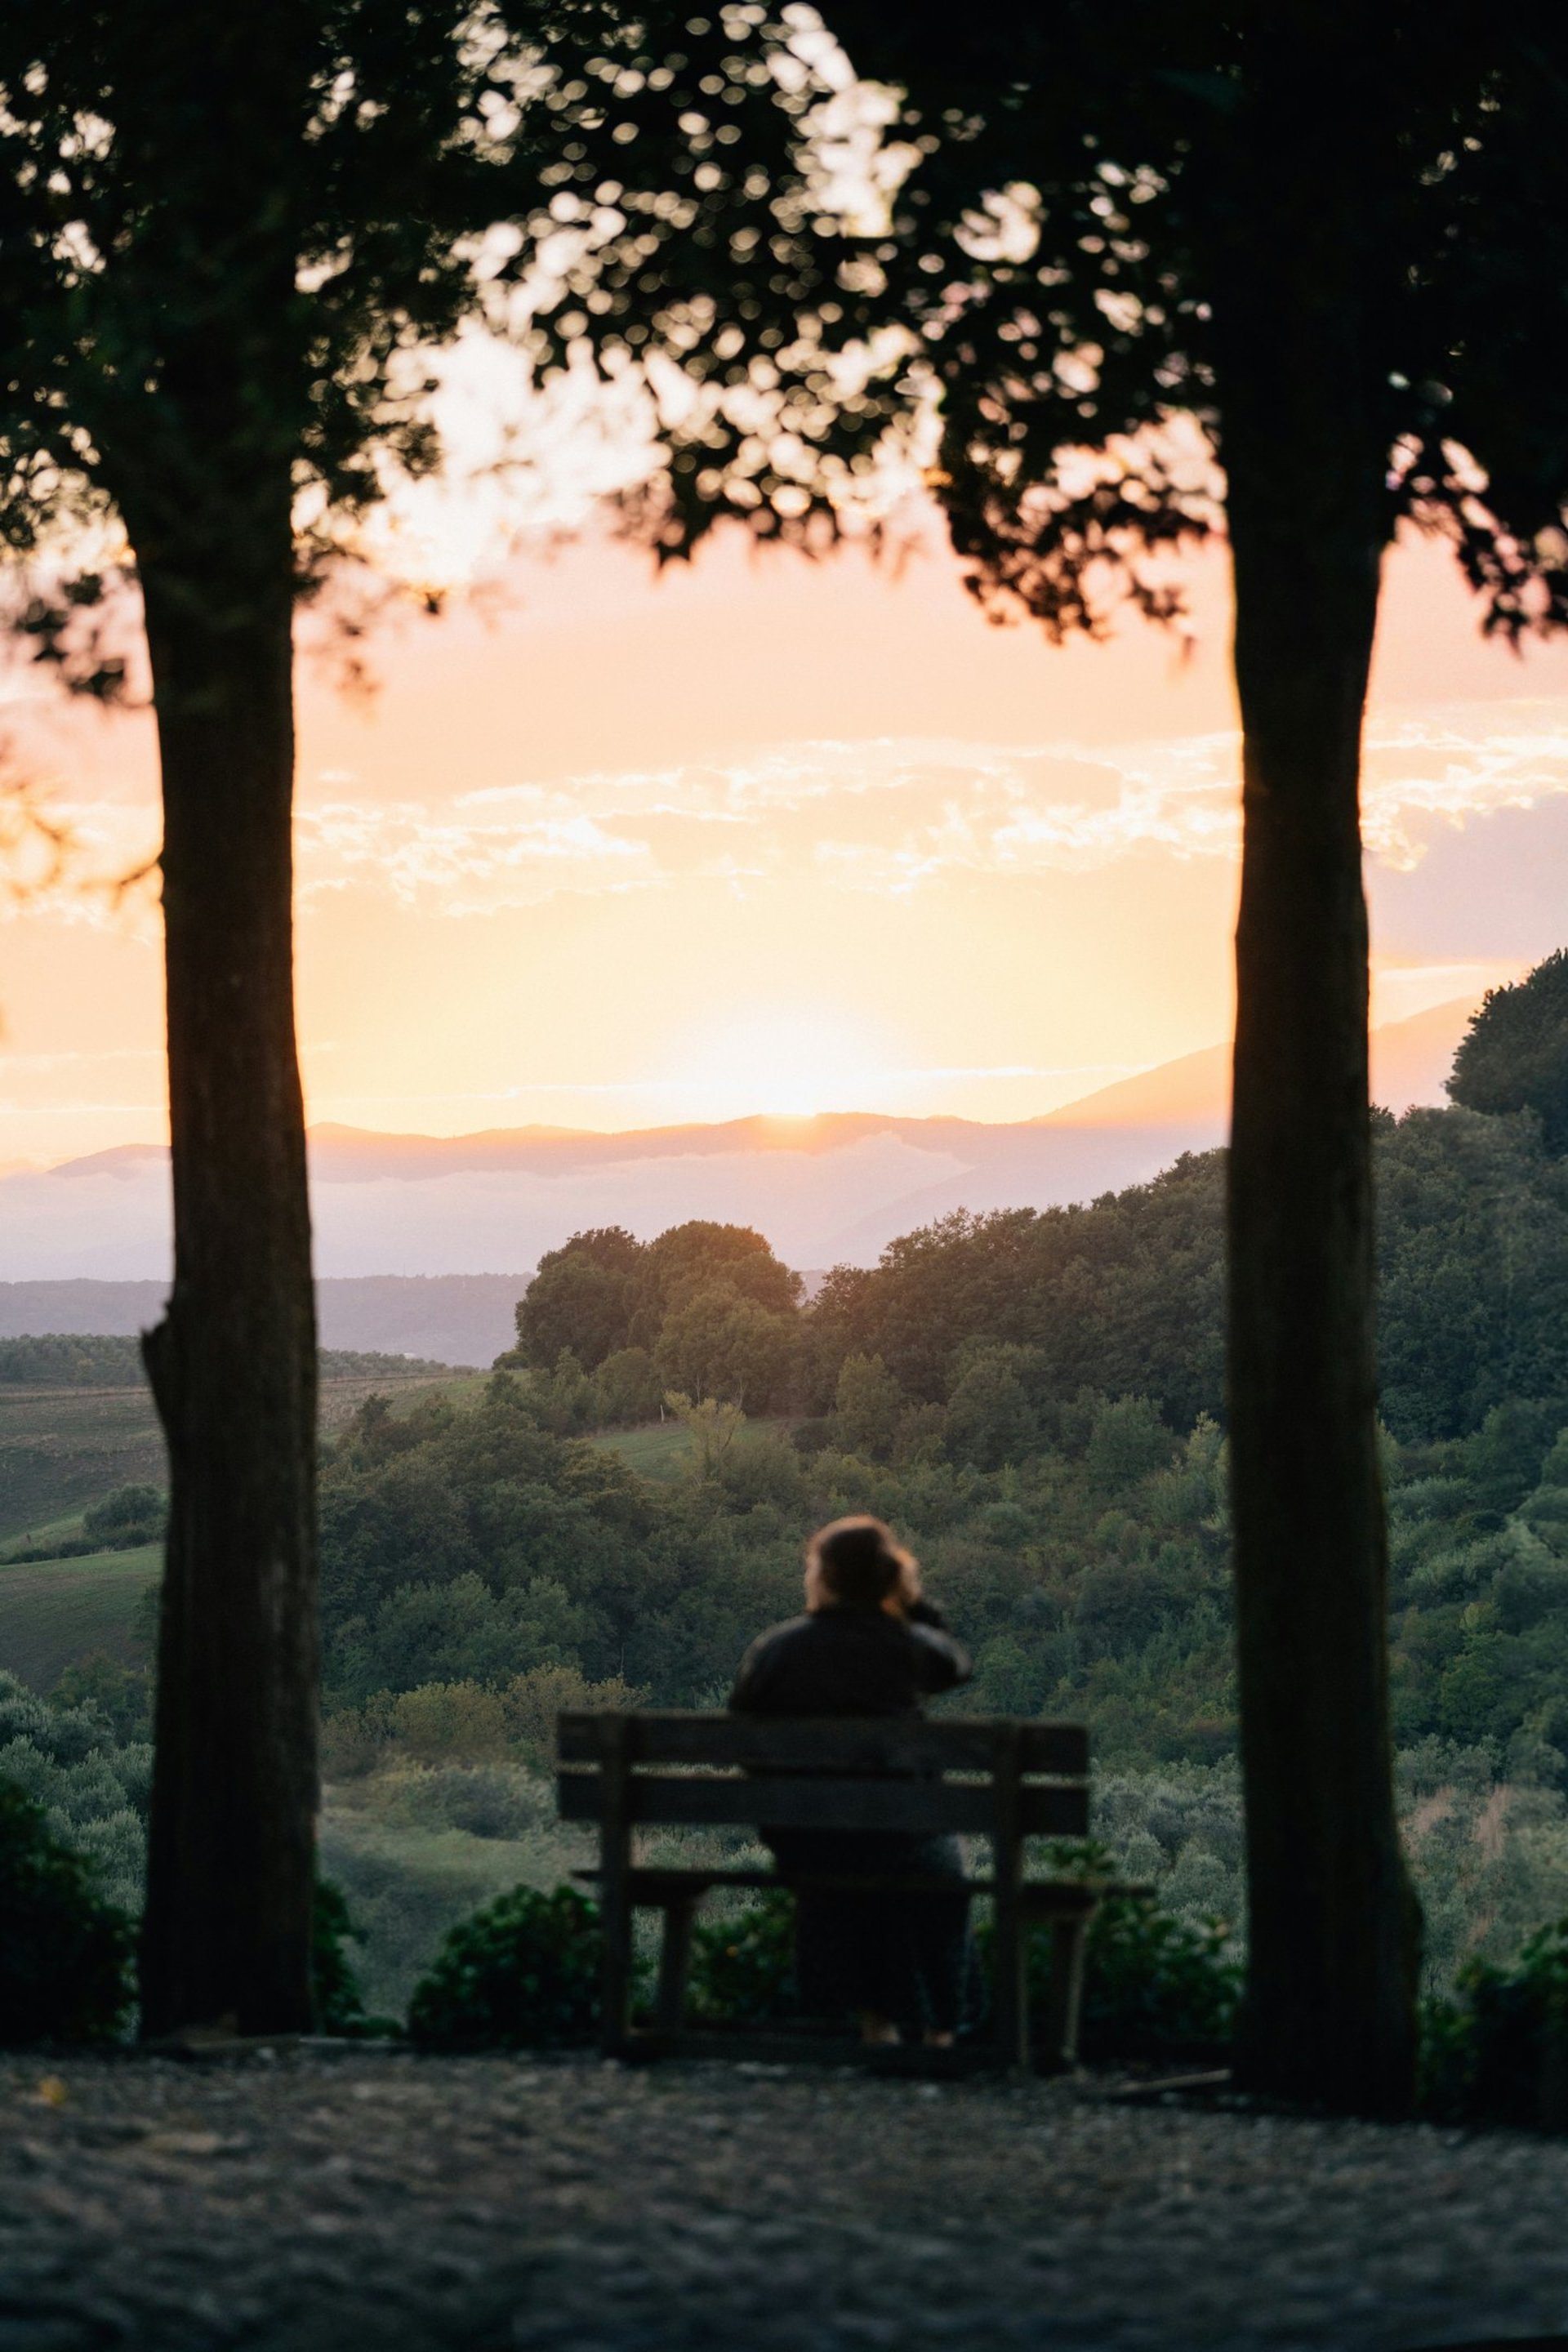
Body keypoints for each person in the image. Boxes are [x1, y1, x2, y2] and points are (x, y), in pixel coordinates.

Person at [728, 1513, 974, 2047]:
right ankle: (938, 2030)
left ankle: (875, 2026)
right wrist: (910, 1608)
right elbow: (956, 1665)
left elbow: (742, 1724)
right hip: (908, 1839)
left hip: (812, 1843)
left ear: (826, 1577)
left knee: (855, 1863)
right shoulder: (907, 1646)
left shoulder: (780, 1649)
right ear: (889, 1578)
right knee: (930, 1862)